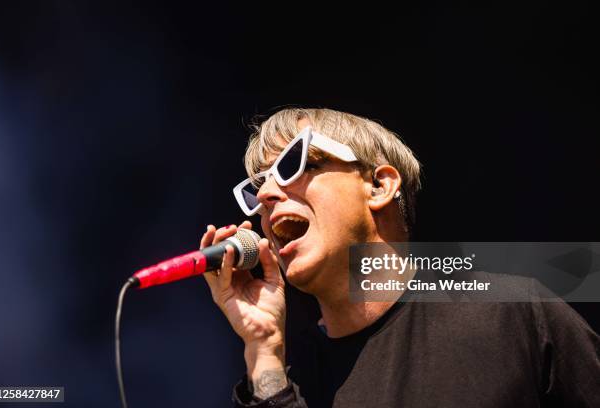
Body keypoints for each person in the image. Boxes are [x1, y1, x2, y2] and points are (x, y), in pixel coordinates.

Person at [199, 108, 600, 407]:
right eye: (259, 185)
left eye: (294, 164)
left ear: (378, 185)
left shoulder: (510, 314)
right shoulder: (284, 377)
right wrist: (264, 349)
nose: (268, 195)